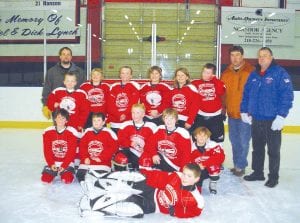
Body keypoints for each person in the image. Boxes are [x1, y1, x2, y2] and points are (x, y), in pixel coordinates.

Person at [241, 47, 294, 188]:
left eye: (265, 55)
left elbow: (287, 96)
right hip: (256, 118)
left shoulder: (279, 73)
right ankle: (258, 172)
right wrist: (244, 110)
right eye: (260, 56)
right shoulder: (254, 74)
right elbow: (246, 94)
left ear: (271, 57)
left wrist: (281, 117)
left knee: (273, 150)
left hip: (273, 119)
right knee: (257, 148)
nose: (262, 58)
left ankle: (273, 177)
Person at [80, 163, 204, 218]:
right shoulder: (177, 176)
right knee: (132, 180)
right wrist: (144, 173)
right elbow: (158, 176)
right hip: (153, 191)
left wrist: (175, 211)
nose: (185, 178)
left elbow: (194, 212)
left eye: (189, 176)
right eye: (184, 174)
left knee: (130, 204)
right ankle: (96, 181)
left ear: (196, 179)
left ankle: (93, 205)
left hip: (153, 206)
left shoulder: (197, 199)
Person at [221, 45, 255, 177]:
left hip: (246, 114)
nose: (235, 58)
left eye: (237, 55)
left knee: (244, 141)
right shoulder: (226, 73)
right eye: (232, 55)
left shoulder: (251, 71)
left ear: (242, 56)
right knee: (234, 140)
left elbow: (255, 93)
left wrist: (251, 110)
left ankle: (241, 166)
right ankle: (236, 165)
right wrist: (223, 110)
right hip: (232, 113)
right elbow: (223, 94)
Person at [42, 47, 86, 120]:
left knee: (74, 130)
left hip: (75, 108)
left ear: (71, 57)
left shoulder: (80, 72)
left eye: (68, 54)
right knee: (59, 129)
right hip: (57, 108)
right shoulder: (51, 72)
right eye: (64, 54)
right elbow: (47, 89)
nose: (66, 56)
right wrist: (46, 105)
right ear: (60, 56)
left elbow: (84, 90)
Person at [76, 112, 118, 182]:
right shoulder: (87, 131)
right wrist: (85, 157)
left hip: (102, 162)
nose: (96, 122)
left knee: (100, 178)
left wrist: (102, 158)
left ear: (103, 122)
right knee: (80, 176)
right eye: (94, 120)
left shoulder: (109, 132)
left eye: (98, 120)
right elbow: (82, 146)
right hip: (88, 161)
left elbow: (113, 148)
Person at [41, 108, 79, 184]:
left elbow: (71, 152)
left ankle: (66, 172)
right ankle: (54, 172)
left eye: (63, 118)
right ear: (55, 119)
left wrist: (64, 165)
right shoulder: (48, 132)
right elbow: (47, 150)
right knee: (45, 180)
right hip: (53, 162)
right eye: (58, 117)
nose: (60, 120)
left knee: (67, 180)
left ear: (66, 121)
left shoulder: (71, 132)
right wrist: (51, 164)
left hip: (67, 162)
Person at [191, 63, 226, 143]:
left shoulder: (219, 83)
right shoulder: (195, 83)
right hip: (200, 118)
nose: (204, 74)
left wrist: (214, 80)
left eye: (208, 73)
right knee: (198, 143)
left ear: (213, 74)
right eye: (204, 71)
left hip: (216, 118)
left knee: (217, 143)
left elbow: (221, 92)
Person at [117, 103, 157, 170]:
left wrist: (145, 149)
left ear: (143, 114)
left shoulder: (151, 126)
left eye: (137, 113)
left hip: (144, 153)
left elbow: (153, 143)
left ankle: (144, 177)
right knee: (121, 158)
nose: (135, 115)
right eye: (133, 113)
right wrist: (130, 143)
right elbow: (120, 140)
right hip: (129, 151)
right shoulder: (125, 125)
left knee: (146, 160)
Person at [191, 127, 225, 194]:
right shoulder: (191, 147)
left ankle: (213, 183)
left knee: (214, 167)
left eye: (204, 136)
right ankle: (197, 188)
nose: (202, 137)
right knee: (196, 177)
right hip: (198, 169)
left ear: (207, 137)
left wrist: (204, 164)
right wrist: (196, 166)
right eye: (199, 135)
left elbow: (220, 158)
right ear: (195, 136)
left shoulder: (213, 145)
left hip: (209, 168)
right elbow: (188, 161)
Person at [107, 66, 140, 133]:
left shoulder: (135, 85)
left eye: (127, 73)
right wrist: (119, 115)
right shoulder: (114, 86)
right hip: (115, 122)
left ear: (131, 76)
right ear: (120, 75)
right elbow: (109, 104)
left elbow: (134, 103)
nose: (125, 75)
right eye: (123, 73)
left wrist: (125, 114)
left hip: (129, 121)